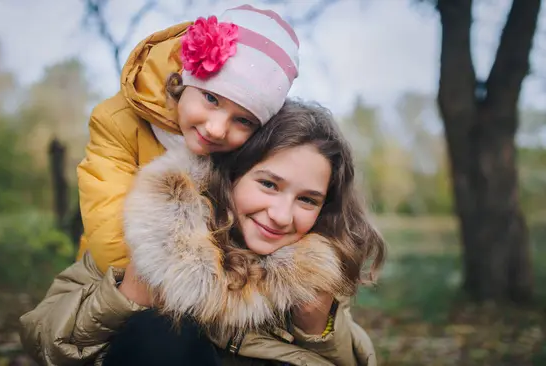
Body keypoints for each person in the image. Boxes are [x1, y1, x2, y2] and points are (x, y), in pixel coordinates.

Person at [20, 100, 386, 366]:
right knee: (157, 331)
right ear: (231, 174)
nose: (280, 216)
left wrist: (316, 326)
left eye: (307, 199)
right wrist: (124, 296)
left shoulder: (310, 266)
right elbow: (42, 341)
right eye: (269, 184)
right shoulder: (155, 234)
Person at [77, 4, 301, 275]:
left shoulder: (250, 150)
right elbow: (107, 221)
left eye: (243, 120)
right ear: (184, 81)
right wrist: (142, 286)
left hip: (210, 281)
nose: (217, 129)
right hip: (118, 277)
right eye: (211, 98)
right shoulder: (118, 121)